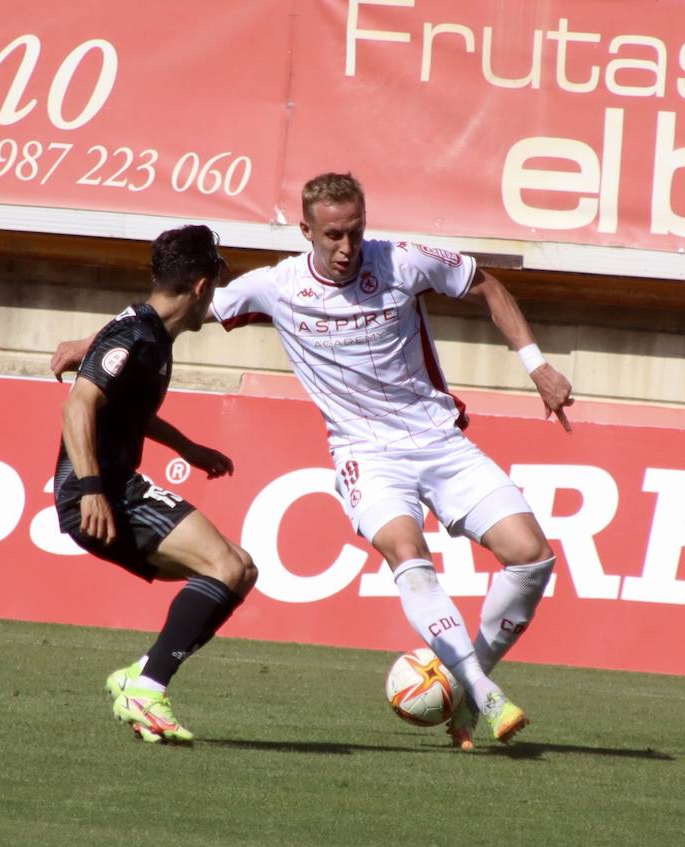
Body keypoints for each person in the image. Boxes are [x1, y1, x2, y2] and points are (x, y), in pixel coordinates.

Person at [53, 173, 573, 749]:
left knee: (531, 558)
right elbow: (173, 310)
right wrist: (96, 345)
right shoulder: (277, 287)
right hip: (365, 455)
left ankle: (463, 679)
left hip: (440, 440)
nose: (347, 247)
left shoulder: (403, 262)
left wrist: (537, 365)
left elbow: (486, 286)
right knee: (405, 550)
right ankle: (482, 694)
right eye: (333, 235)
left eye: (355, 231)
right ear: (306, 231)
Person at [55, 224, 258, 745]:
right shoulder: (136, 336)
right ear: (200, 287)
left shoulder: (148, 333)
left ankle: (142, 674)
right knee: (226, 566)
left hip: (112, 486)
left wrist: (186, 447)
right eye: (213, 285)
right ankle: (148, 687)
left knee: (240, 570)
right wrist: (93, 486)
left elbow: (126, 407)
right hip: (101, 494)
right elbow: (78, 405)